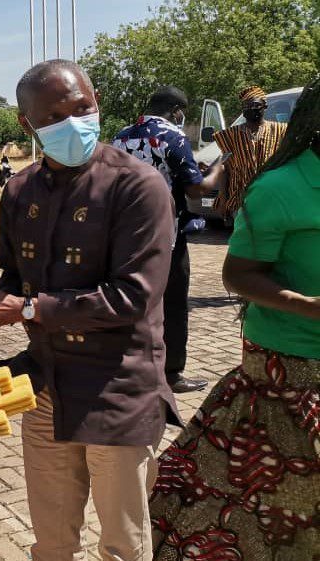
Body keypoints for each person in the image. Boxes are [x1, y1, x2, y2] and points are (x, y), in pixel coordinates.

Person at [0, 59, 177, 561]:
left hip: (118, 391)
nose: (75, 121)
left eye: (83, 107)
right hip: (47, 391)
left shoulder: (137, 185)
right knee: (53, 546)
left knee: (124, 551)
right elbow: (13, 277)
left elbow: (131, 298)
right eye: (56, 115)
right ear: (29, 125)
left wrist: (21, 308)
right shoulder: (21, 188)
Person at [149, 75, 320, 561]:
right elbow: (238, 273)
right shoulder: (282, 187)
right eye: (246, 107)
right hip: (290, 372)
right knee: (273, 510)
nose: (251, 112)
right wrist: (309, 305)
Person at [113, 86, 224, 394]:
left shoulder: (121, 137)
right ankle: (172, 373)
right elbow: (195, 190)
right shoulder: (173, 136)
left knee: (134, 300)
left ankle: (130, 366)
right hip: (166, 236)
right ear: (176, 110)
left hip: (126, 235)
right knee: (173, 305)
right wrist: (216, 171)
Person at [212, 85, 287, 218]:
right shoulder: (230, 135)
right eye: (246, 106)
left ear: (265, 106)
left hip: (272, 198)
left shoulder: (280, 130)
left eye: (255, 105)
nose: (250, 109)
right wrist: (223, 199)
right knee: (243, 236)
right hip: (240, 200)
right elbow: (225, 167)